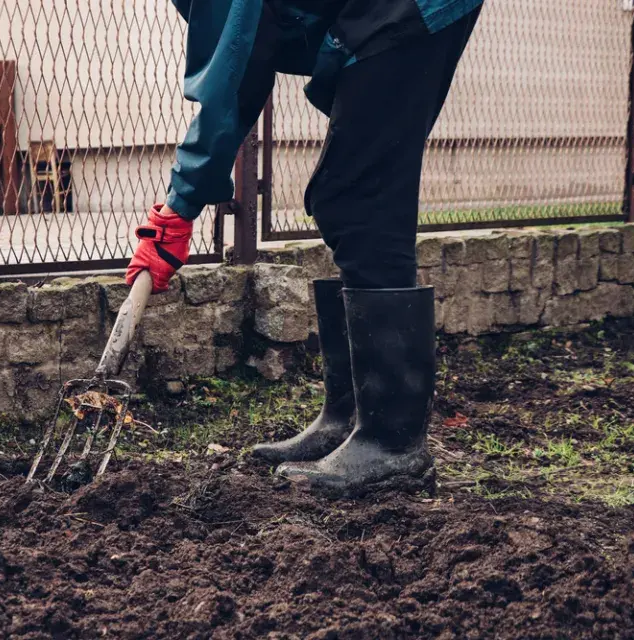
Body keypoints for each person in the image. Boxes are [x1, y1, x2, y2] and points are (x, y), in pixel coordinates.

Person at [125, 0, 484, 496]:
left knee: (360, 195)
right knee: (343, 195)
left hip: (404, 9)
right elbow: (247, 65)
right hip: (373, 15)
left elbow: (234, 70)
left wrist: (180, 206)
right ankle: (349, 420)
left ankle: (392, 444)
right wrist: (180, 207)